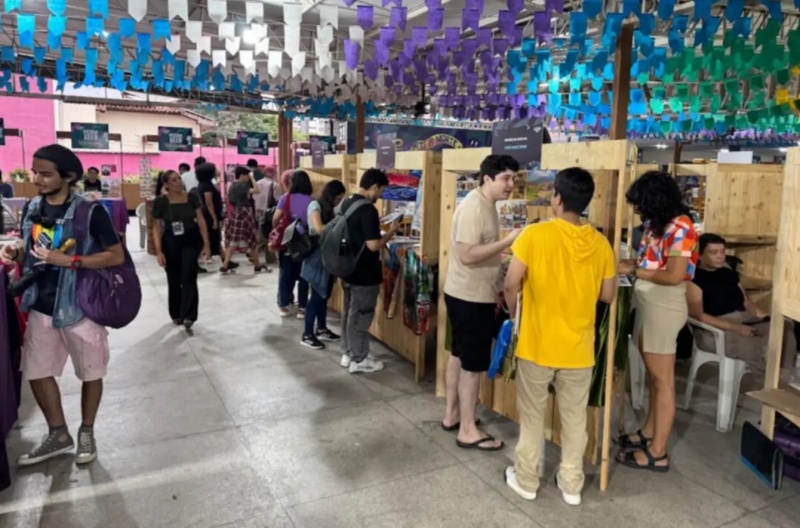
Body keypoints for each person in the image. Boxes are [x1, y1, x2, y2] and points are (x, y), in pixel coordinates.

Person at [0, 144, 125, 466]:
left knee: (90, 371)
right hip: (40, 304)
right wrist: (16, 253)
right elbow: (32, 250)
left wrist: (71, 261)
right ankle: (58, 433)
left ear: (68, 177)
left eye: (45, 174)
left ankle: (87, 431)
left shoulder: (90, 211)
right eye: (35, 172)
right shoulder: (32, 207)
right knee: (37, 371)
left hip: (80, 307)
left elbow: (115, 255)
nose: (37, 179)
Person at [502, 167, 616, 506]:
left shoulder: (534, 235)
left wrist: (514, 312)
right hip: (579, 348)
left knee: (532, 418)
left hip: (537, 343)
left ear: (557, 198)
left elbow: (510, 283)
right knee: (575, 420)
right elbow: (608, 295)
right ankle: (571, 485)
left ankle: (526, 480)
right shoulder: (601, 244)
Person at [617, 170, 699, 472]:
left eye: (641, 204)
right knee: (654, 376)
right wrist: (630, 265)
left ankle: (658, 451)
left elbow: (674, 275)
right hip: (648, 302)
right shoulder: (656, 225)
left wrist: (633, 271)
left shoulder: (681, 227)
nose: (639, 210)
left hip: (664, 305)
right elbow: (652, 262)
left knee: (663, 381)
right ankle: (649, 432)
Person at [441, 154, 521, 452]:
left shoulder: (486, 204)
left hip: (468, 292)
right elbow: (467, 255)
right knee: (472, 364)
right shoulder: (475, 208)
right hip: (470, 296)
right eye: (505, 178)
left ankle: (453, 415)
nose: (511, 184)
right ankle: (468, 429)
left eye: (514, 178)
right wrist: (509, 241)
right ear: (487, 178)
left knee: (459, 354)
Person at [687, 233, 797, 384]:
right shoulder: (695, 279)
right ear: (700, 255)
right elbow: (698, 315)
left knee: (785, 326)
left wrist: (761, 315)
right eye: (714, 252)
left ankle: (784, 375)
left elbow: (745, 301)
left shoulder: (730, 274)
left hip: (743, 318)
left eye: (722, 252)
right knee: (755, 343)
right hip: (714, 329)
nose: (720, 256)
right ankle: (769, 381)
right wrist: (736, 327)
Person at [339, 169, 399, 374]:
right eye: (381, 191)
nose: (380, 196)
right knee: (361, 316)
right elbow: (373, 245)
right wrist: (391, 232)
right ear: (374, 186)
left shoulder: (347, 203)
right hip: (364, 274)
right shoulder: (367, 210)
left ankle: (348, 353)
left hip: (347, 269)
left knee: (349, 313)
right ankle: (359, 359)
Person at [152, 171, 211, 328]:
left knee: (189, 275)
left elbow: (201, 220)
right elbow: (156, 227)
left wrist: (206, 243)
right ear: (166, 184)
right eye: (174, 180)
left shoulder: (192, 197)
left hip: (191, 239)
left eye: (179, 178)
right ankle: (176, 313)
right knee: (174, 278)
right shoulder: (161, 201)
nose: (178, 181)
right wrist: (159, 251)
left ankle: (189, 315)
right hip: (170, 240)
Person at [300, 179, 346, 349]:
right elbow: (319, 229)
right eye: (338, 198)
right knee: (316, 297)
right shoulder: (315, 206)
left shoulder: (330, 209)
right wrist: (338, 222)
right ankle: (307, 334)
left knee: (324, 295)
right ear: (331, 195)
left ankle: (321, 328)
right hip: (316, 258)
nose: (339, 202)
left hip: (327, 257)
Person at [273, 170, 314, 316]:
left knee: (286, 273)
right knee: (303, 275)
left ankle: (284, 305)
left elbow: (276, 218)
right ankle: (302, 307)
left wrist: (279, 230)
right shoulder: (312, 201)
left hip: (288, 241)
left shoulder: (286, 198)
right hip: (304, 241)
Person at [221, 166, 264, 273]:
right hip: (245, 212)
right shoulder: (242, 185)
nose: (248, 178)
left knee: (234, 240)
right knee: (251, 239)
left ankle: (225, 264)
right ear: (242, 175)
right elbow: (257, 190)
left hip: (235, 212)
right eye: (247, 176)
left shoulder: (232, 186)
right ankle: (257, 265)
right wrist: (253, 178)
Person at [195, 162, 235, 270]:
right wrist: (214, 219)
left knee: (216, 238)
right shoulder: (207, 186)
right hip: (210, 215)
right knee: (211, 237)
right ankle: (197, 262)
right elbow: (209, 203)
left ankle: (225, 261)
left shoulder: (203, 184)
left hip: (208, 213)